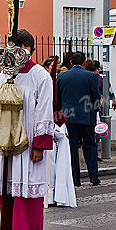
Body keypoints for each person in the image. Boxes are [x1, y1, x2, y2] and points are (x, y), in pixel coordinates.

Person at [0, 30, 54, 230]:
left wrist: (39, 145)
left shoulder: (40, 75)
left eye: (23, 47)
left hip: (28, 144)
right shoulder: (3, 75)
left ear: (30, 49)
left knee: (27, 189)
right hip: (6, 144)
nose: (17, 52)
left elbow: (45, 111)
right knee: (7, 189)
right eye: (13, 47)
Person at [56, 51, 101, 187]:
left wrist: (59, 112)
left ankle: (75, 178)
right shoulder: (92, 76)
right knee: (90, 146)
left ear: (70, 62)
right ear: (84, 63)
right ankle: (93, 175)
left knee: (72, 147)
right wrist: (95, 111)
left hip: (68, 116)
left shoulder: (61, 77)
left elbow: (58, 98)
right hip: (87, 116)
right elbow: (96, 98)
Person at [43, 57, 76, 208]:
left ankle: (56, 194)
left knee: (56, 163)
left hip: (57, 119)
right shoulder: (45, 80)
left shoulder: (60, 79)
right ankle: (48, 195)